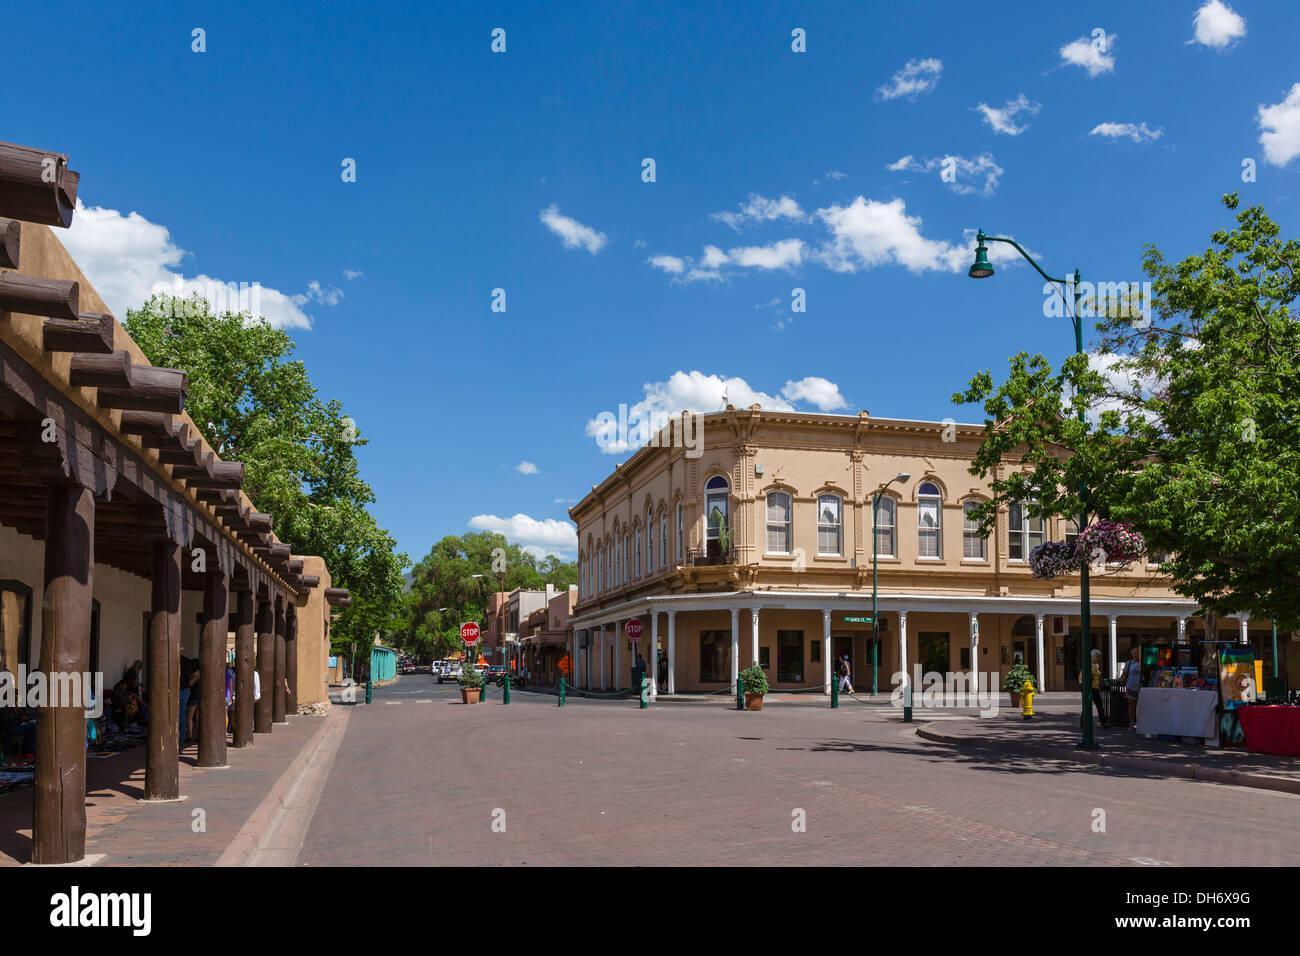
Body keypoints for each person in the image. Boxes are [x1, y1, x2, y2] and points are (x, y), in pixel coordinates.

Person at [1079, 647, 1108, 728]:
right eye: (1097, 656)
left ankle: (1103, 722)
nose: (1099, 658)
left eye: (1099, 656)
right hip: (1089, 688)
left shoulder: (1096, 665)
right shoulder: (1088, 665)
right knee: (1088, 705)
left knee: (1098, 705)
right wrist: (1085, 687)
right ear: (1092, 656)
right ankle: (1083, 723)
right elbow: (1081, 678)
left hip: (1095, 688)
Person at [1120, 646, 1142, 729]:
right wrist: (1119, 680)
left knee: (1141, 706)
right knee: (1132, 706)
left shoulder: (1143, 662)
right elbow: (1124, 675)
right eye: (1133, 654)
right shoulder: (1129, 663)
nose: (1135, 655)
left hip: (1141, 688)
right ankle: (1131, 723)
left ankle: (1141, 723)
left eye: (1137, 654)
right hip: (1130, 687)